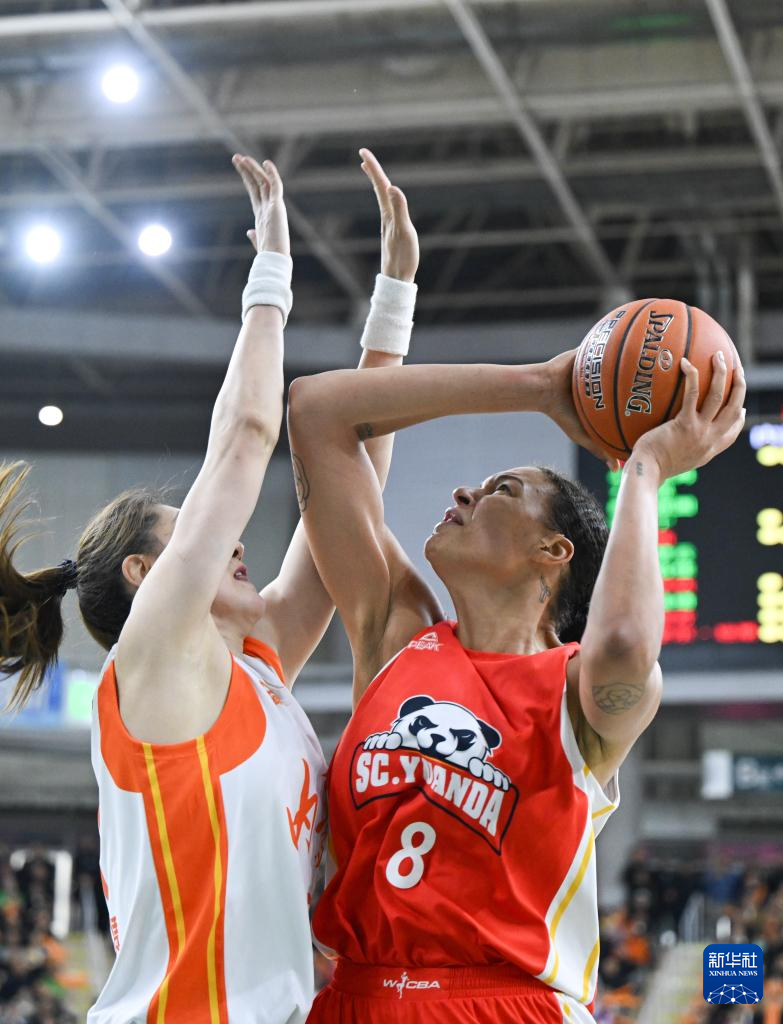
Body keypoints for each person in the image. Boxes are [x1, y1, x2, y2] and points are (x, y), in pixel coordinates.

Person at [287, 188, 746, 1023]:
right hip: (355, 997)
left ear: (552, 553)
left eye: (501, 489)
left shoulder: (582, 693)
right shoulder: (396, 634)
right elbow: (316, 411)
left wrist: (644, 471)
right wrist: (539, 385)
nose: (462, 492)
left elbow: (624, 641)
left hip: (505, 1004)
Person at [0, 150, 421, 1023]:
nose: (232, 543)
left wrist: (392, 301)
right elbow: (245, 437)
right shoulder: (155, 661)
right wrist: (269, 274)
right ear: (146, 575)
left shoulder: (258, 667)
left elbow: (347, 495)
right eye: (193, 530)